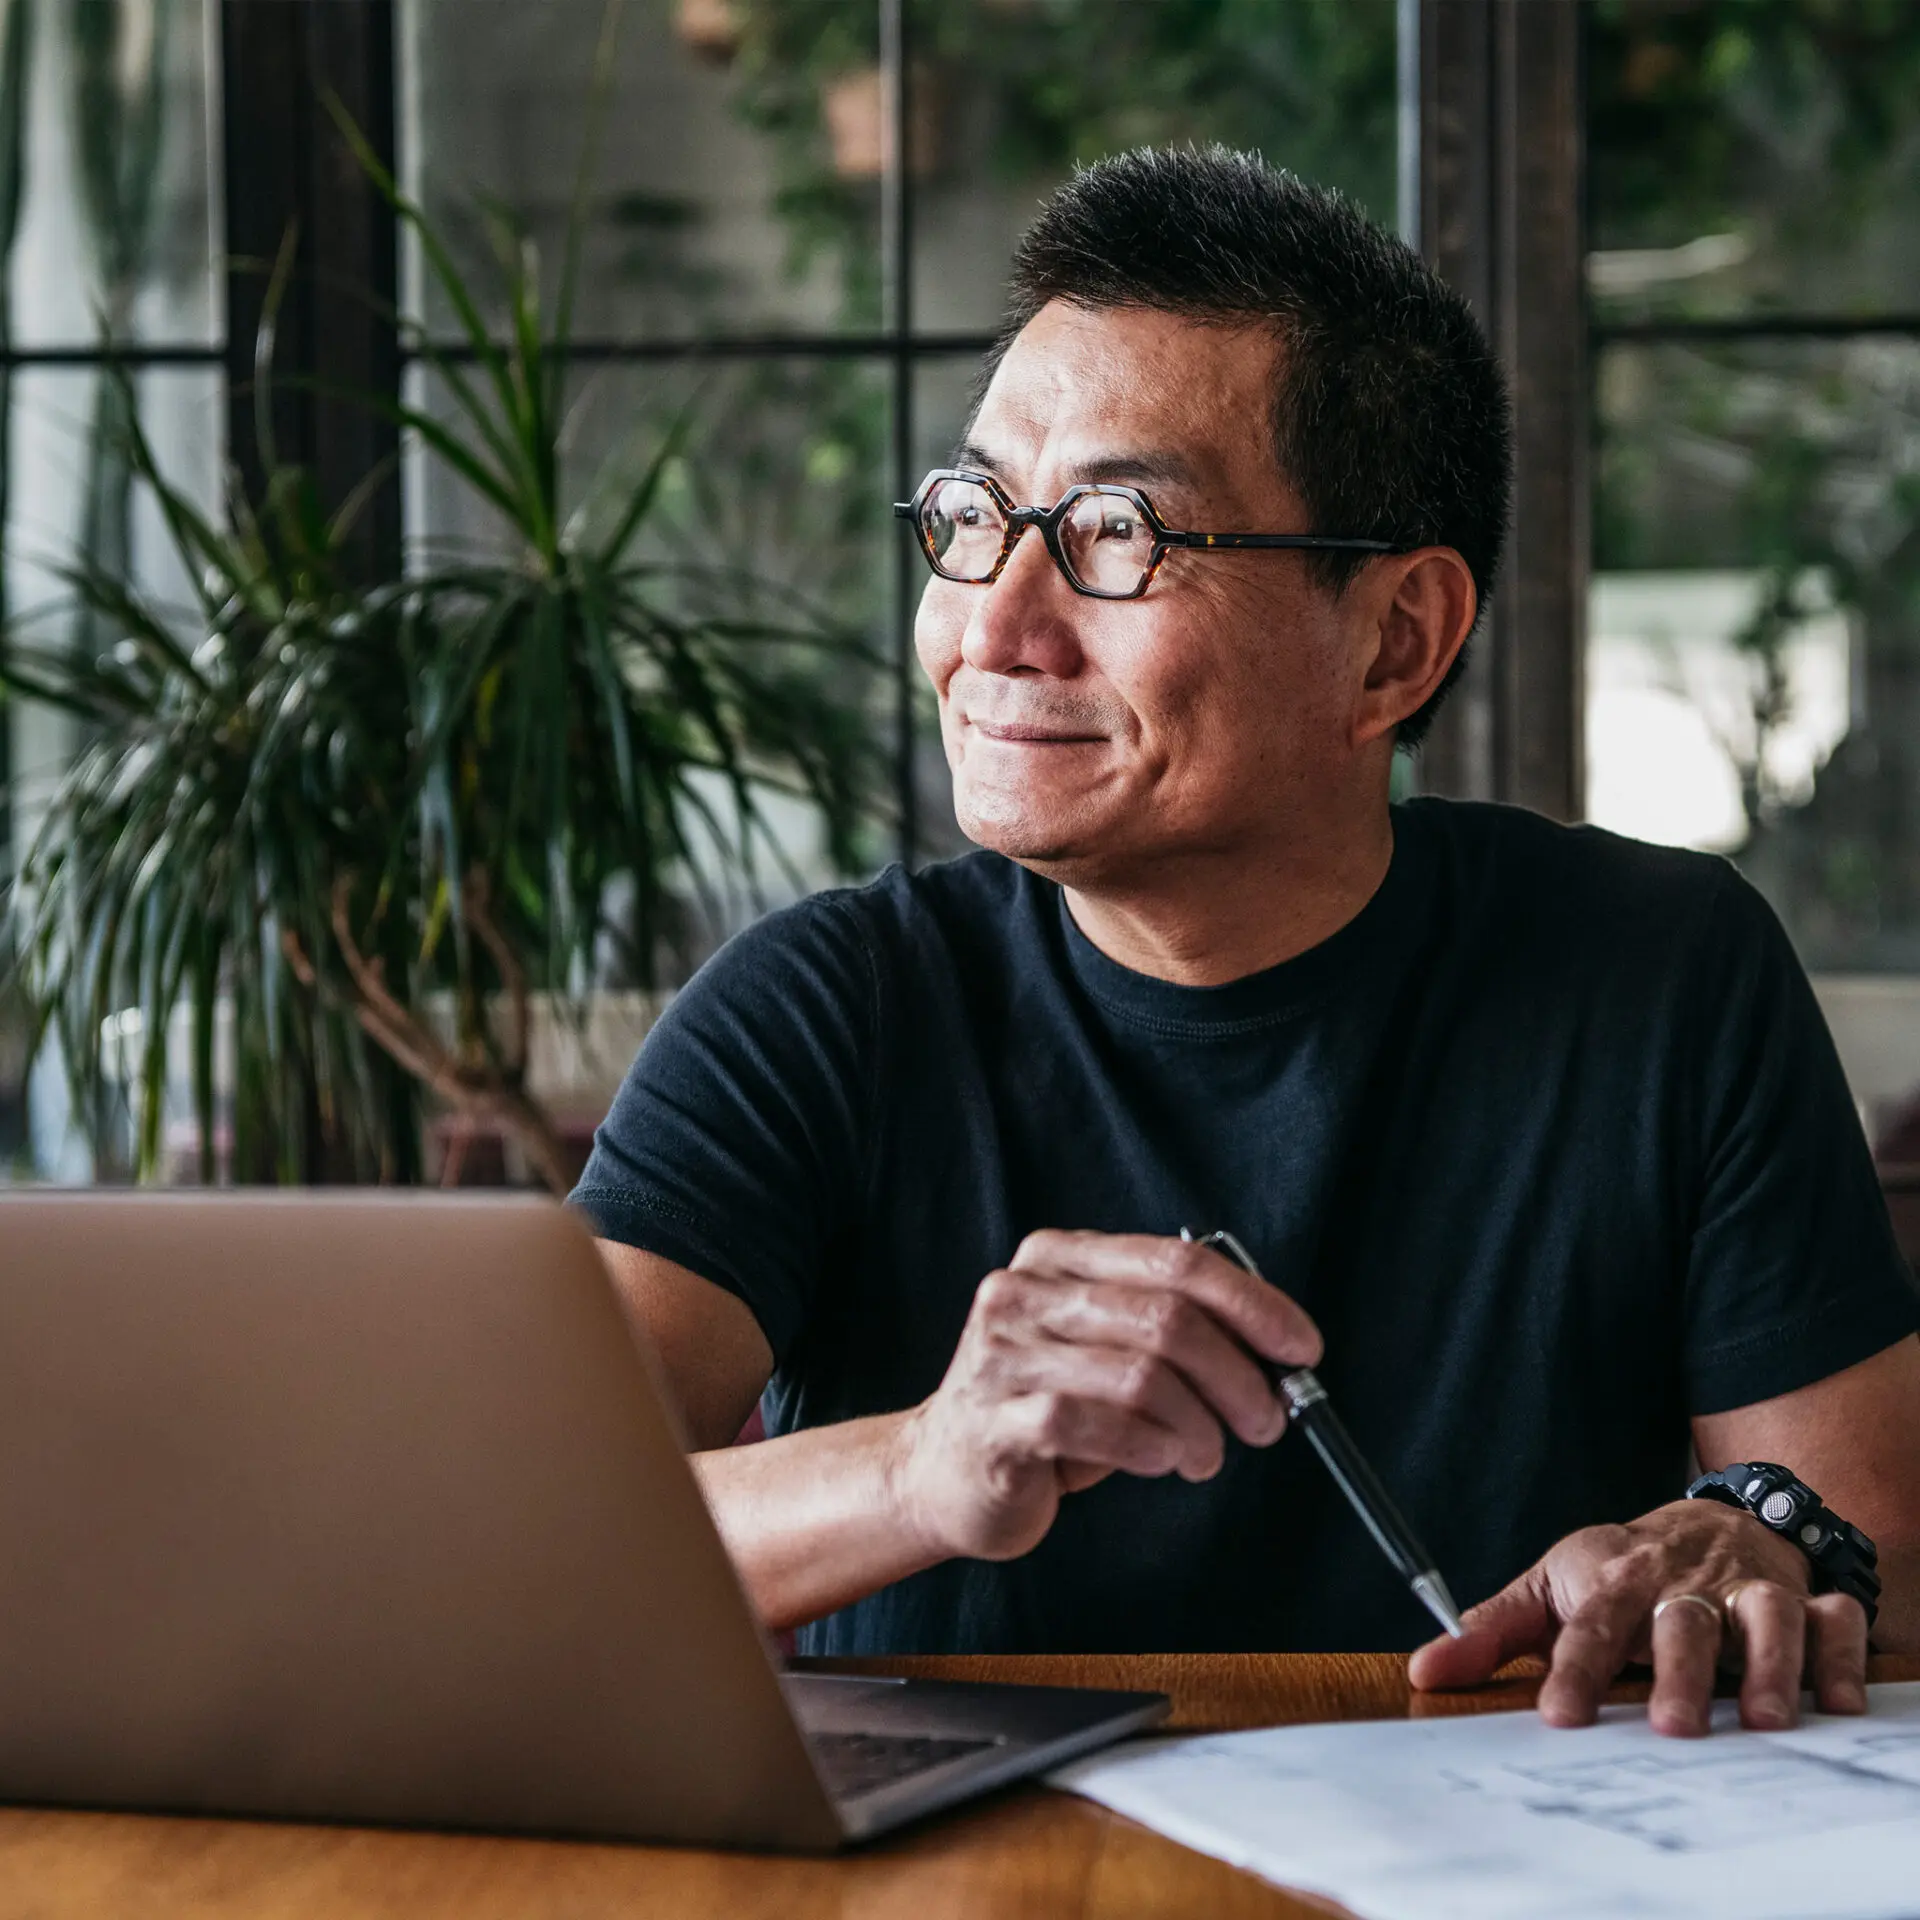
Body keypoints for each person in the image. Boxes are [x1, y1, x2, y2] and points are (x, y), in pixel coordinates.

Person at [571, 146, 1920, 1739]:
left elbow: (1860, 1534)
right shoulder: (824, 1008)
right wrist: (927, 1464)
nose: (993, 626)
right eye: (974, 514)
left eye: (1122, 535)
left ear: (1396, 641)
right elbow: (519, 1538)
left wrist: (1746, 1544)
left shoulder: (1659, 970)